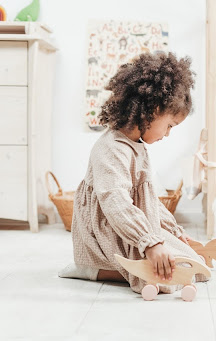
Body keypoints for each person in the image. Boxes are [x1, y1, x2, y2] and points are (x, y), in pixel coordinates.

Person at [59, 52, 205, 294]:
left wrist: (174, 231)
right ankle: (92, 268)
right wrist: (150, 243)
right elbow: (116, 204)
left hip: (133, 231)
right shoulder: (110, 149)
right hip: (108, 234)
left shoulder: (137, 145)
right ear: (153, 109)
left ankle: (123, 266)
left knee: (195, 266)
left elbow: (149, 202)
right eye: (169, 125)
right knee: (168, 277)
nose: (168, 134)